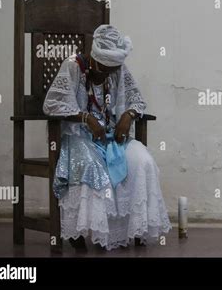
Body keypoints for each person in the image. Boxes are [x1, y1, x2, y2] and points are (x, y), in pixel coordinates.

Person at [43, 24, 171, 251]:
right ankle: (78, 231)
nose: (109, 73)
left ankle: (130, 230)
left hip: (111, 137)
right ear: (94, 58)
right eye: (104, 68)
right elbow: (52, 104)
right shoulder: (73, 66)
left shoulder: (117, 69)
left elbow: (136, 100)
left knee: (143, 161)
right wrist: (85, 118)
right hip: (78, 137)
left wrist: (129, 115)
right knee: (93, 168)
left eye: (113, 69)